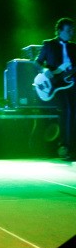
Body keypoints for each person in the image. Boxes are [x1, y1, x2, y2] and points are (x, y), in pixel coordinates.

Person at [35, 17, 76, 161]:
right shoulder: (49, 44)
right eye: (68, 30)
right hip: (55, 84)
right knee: (68, 110)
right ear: (59, 31)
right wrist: (45, 70)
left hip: (71, 82)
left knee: (72, 112)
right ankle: (64, 147)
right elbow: (37, 62)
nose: (72, 33)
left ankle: (70, 147)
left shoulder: (74, 47)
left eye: (72, 30)